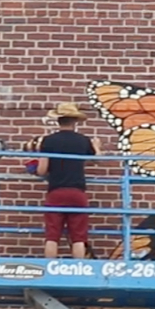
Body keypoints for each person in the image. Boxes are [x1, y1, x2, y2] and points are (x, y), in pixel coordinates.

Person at [35, 101, 96, 259]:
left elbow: (42, 169)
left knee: (52, 236)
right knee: (78, 237)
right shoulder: (83, 140)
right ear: (75, 121)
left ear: (58, 120)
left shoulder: (48, 141)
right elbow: (96, 159)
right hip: (77, 192)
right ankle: (79, 268)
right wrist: (97, 146)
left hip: (56, 191)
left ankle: (49, 268)